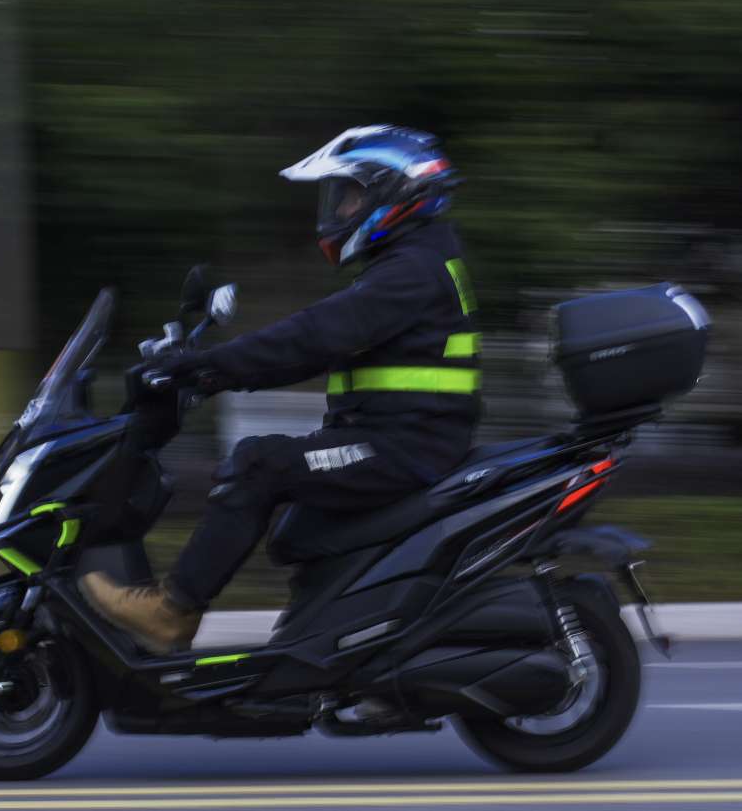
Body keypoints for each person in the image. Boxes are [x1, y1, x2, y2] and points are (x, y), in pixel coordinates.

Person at [80, 125, 481, 654]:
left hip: (405, 447)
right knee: (298, 525)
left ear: (395, 193)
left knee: (257, 465)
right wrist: (213, 372)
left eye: (350, 196)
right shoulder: (416, 262)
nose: (339, 210)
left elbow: (314, 335)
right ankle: (329, 641)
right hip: (403, 438)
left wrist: (211, 367)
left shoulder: (411, 270)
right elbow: (312, 349)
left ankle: (172, 611)